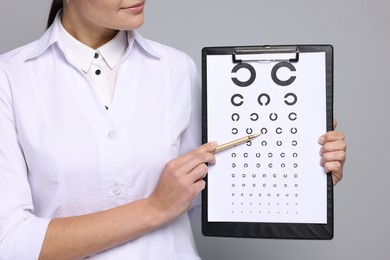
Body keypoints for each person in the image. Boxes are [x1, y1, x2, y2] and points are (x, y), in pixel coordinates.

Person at [0, 0, 347, 259]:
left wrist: (301, 178)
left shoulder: (177, 69)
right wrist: (154, 208)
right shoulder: (11, 78)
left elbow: (207, 202)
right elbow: (10, 241)